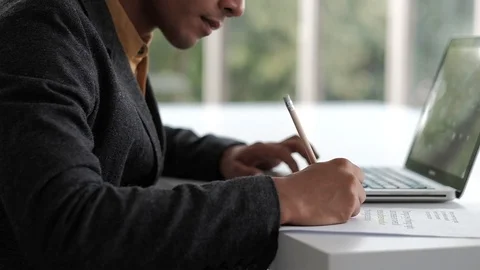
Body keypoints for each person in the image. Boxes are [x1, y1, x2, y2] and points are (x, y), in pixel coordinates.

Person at [0, 0, 366, 269]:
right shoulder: (42, 28)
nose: (237, 7)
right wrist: (283, 199)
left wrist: (222, 157)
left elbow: (109, 125)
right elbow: (69, 222)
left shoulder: (107, 30)